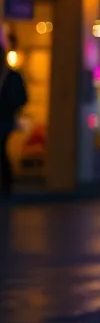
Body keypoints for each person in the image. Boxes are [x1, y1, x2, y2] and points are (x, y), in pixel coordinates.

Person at [0, 28, 28, 198]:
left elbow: (22, 97)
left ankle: (7, 184)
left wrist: (11, 106)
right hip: (5, 118)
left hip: (5, 118)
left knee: (1, 149)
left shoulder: (13, 77)